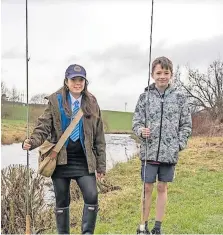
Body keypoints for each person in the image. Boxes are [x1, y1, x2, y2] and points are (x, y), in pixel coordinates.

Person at [22, 64, 106, 234]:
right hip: (60, 159)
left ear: (85, 82)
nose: (77, 83)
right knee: (61, 200)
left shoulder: (92, 102)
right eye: (73, 79)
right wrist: (32, 142)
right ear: (66, 81)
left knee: (91, 196)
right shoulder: (55, 100)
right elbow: (43, 127)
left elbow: (99, 136)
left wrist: (101, 166)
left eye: (81, 79)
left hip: (84, 160)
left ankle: (87, 233)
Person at [132, 56, 192, 234]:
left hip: (169, 153)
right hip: (148, 152)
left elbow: (186, 125)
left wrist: (178, 144)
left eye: (166, 73)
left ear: (171, 74)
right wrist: (141, 131)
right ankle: (143, 226)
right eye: (158, 73)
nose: (162, 76)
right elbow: (136, 123)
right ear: (152, 74)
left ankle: (158, 227)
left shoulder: (181, 98)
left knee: (161, 187)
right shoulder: (144, 97)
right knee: (147, 188)